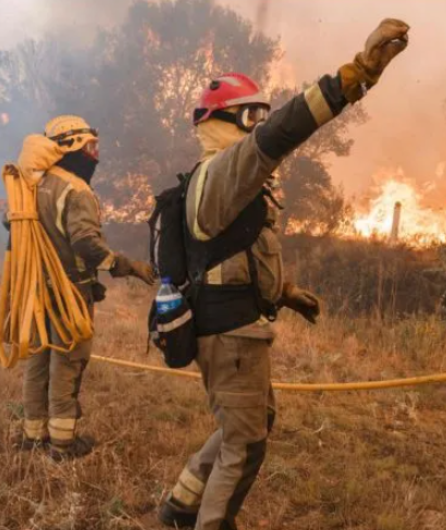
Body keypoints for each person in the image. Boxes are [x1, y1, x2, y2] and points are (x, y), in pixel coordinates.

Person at [152, 19, 410, 530]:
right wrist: (354, 77)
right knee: (246, 445)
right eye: (249, 116)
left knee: (250, 424)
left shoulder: (228, 181)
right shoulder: (224, 169)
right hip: (232, 339)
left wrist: (285, 293)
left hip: (236, 331)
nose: (257, 126)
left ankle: (182, 505)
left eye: (260, 116)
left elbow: (238, 259)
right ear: (222, 120)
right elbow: (287, 129)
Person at [18, 115, 156, 461]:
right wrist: (126, 266)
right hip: (68, 293)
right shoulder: (76, 190)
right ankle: (62, 444)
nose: (95, 155)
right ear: (72, 147)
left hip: (35, 288)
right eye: (90, 147)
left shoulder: (35, 185)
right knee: (67, 359)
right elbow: (85, 243)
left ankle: (33, 435)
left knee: (39, 358)